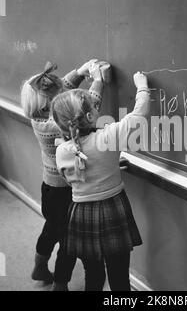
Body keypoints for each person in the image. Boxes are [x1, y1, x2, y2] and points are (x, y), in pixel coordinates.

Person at [51, 72, 150, 291]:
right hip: (113, 209)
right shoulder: (108, 137)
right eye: (95, 107)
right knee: (119, 276)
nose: (98, 108)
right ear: (88, 117)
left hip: (81, 213)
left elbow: (71, 180)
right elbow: (139, 113)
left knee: (93, 275)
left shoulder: (61, 151)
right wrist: (142, 85)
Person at [20, 59, 106, 290]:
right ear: (52, 102)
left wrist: (80, 71)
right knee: (69, 242)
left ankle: (39, 266)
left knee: (52, 228)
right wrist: (97, 80)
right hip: (66, 191)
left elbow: (62, 86)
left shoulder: (37, 115)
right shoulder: (57, 125)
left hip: (49, 188)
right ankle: (60, 284)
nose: (64, 90)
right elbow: (90, 104)